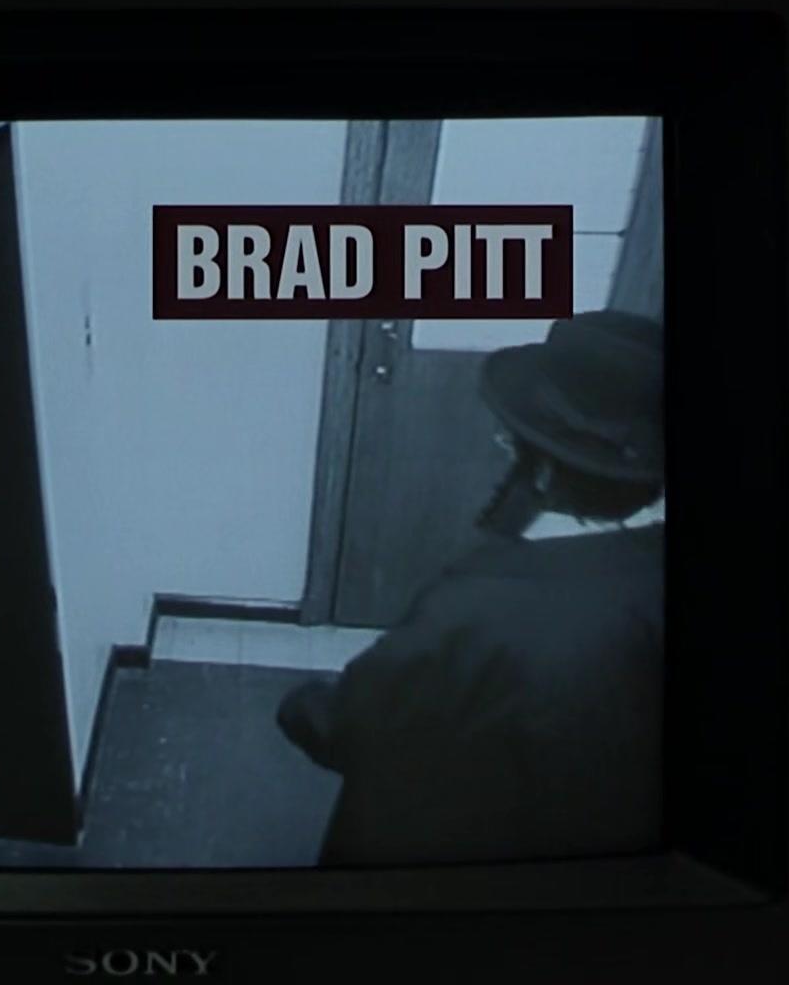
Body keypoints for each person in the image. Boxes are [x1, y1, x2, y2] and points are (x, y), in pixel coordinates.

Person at [276, 309, 666, 867]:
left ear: (544, 471)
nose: (502, 440)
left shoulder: (478, 606)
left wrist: (300, 704)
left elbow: (351, 726)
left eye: (513, 439)